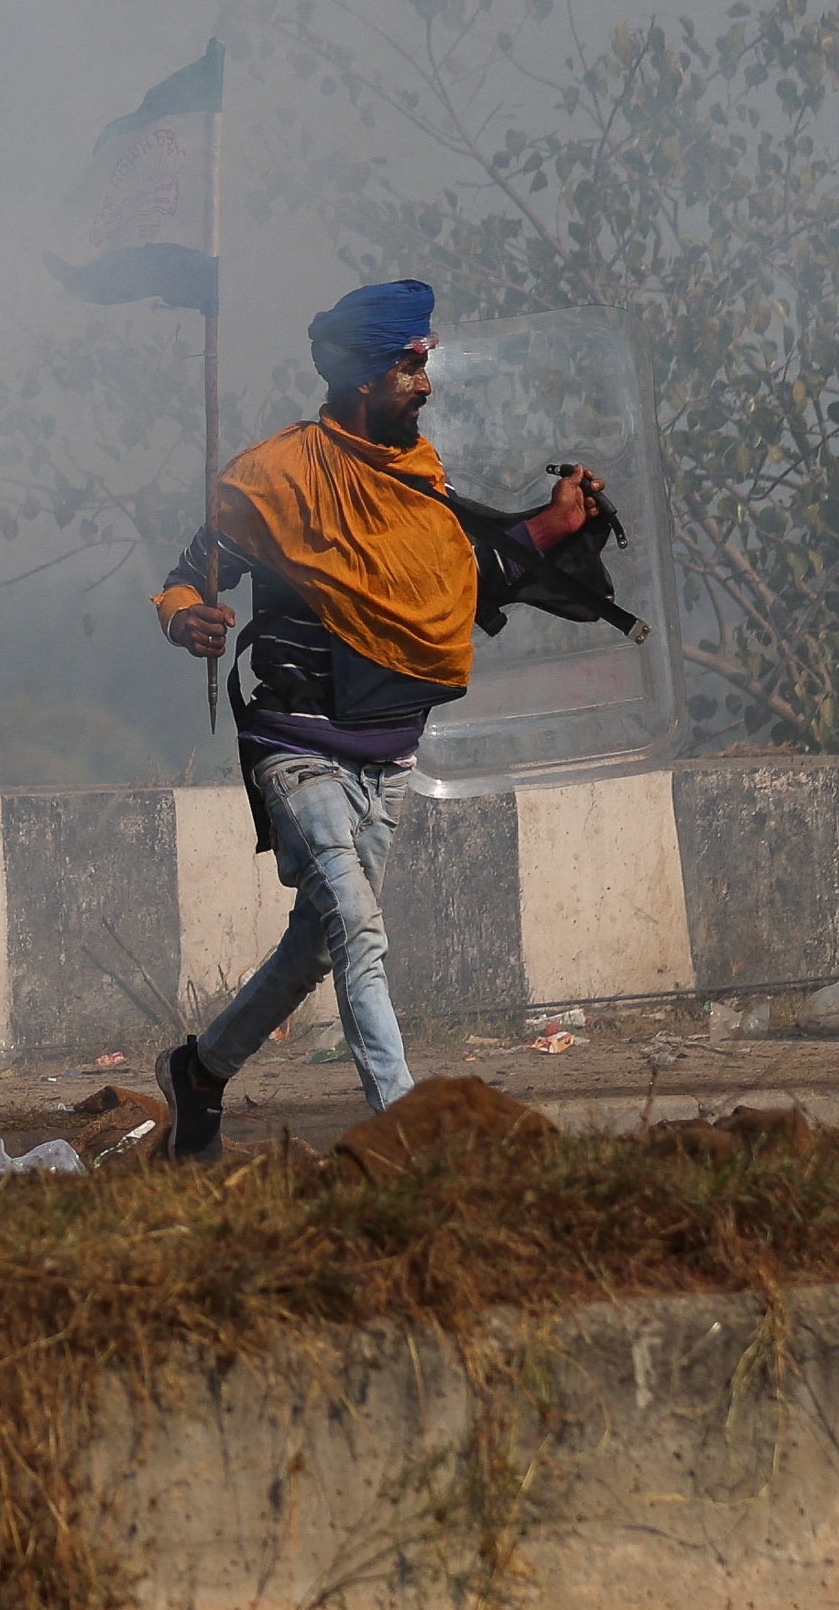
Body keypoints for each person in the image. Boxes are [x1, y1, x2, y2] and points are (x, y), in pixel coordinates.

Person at [150, 281, 610, 1159]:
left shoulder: (417, 474)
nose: (424, 383)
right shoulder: (277, 474)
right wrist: (185, 616)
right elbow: (192, 572)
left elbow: (459, 586)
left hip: (388, 753)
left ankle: (201, 1072)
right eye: (411, 365)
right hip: (297, 744)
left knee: (317, 948)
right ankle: (409, 1137)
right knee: (359, 930)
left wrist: (553, 529)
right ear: (366, 376)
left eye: (425, 363)